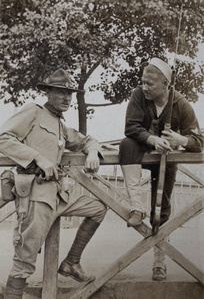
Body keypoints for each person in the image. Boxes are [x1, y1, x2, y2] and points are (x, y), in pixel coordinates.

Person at [0, 68, 107, 299]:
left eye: (69, 93)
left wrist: (92, 152)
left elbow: (87, 140)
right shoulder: (34, 112)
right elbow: (3, 138)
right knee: (24, 261)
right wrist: (37, 158)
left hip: (59, 197)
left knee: (97, 209)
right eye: (60, 92)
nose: (67, 98)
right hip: (35, 197)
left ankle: (71, 262)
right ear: (48, 92)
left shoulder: (60, 124)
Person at [119, 58, 204, 281]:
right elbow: (131, 127)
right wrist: (152, 139)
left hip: (167, 160)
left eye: (150, 84)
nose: (144, 87)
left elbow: (198, 141)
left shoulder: (182, 104)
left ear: (166, 84)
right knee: (126, 144)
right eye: (143, 82)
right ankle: (136, 206)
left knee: (161, 210)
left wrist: (181, 139)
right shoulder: (138, 95)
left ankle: (159, 260)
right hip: (142, 153)